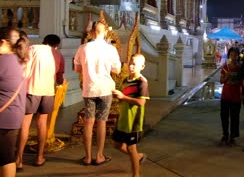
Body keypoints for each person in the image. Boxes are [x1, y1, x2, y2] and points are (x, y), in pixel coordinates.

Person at [74, 21, 121, 166]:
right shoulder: (110, 49)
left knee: (89, 122)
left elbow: (77, 69)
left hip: (90, 89)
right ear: (105, 32)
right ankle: (99, 156)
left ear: (92, 32)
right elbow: (117, 70)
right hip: (105, 89)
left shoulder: (83, 48)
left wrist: (90, 70)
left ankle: (87, 157)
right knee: (102, 122)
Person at [16, 34, 64, 170]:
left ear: (44, 41)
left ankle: (19, 159)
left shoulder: (33, 49)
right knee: (42, 124)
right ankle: (39, 157)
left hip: (32, 90)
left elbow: (25, 71)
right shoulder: (58, 55)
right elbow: (60, 78)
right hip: (48, 92)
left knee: (25, 124)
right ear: (57, 45)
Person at [112, 54, 149, 177]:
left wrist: (123, 97)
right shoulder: (125, 80)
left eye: (135, 64)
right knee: (117, 145)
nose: (131, 66)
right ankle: (138, 157)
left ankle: (136, 175)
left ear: (142, 66)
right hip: (123, 118)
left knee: (131, 148)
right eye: (130, 63)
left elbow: (141, 102)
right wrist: (118, 97)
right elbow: (124, 98)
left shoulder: (142, 82)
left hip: (133, 121)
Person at [0, 27, 29, 177]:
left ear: (3, 42)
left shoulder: (3, 61)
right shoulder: (21, 60)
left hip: (3, 117)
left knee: (4, 158)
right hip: (14, 114)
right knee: (7, 156)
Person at [219, 47, 242, 145]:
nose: (234, 57)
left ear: (238, 56)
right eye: (232, 55)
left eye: (235, 55)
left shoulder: (241, 68)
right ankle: (225, 134)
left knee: (235, 117)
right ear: (229, 56)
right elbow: (221, 81)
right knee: (224, 116)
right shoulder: (225, 67)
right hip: (225, 95)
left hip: (236, 96)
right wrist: (226, 76)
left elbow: (243, 82)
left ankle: (233, 136)